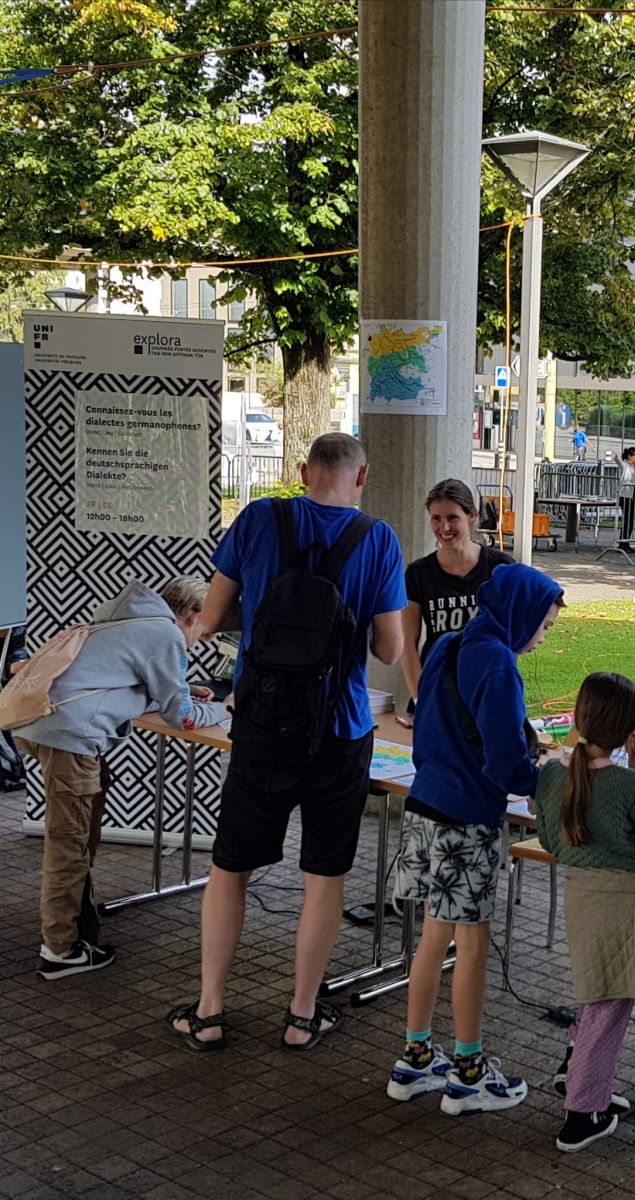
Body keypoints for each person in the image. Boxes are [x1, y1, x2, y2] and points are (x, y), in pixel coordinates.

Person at [168, 433, 406, 1050]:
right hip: (341, 731)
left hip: (262, 727)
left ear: (303, 472)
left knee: (230, 868)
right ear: (362, 478)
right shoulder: (377, 540)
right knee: (323, 877)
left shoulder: (256, 519)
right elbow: (389, 649)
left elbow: (213, 617)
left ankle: (211, 1008)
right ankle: (302, 1014)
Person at [386, 563, 563, 1114]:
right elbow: (507, 761)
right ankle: (468, 1072)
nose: (542, 636)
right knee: (474, 945)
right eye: (545, 625)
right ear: (523, 614)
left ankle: (415, 1059)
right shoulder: (499, 664)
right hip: (468, 821)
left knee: (433, 939)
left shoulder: (448, 645)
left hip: (424, 805)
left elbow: (430, 725)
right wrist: (545, 782)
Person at [14, 578, 227, 979]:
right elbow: (181, 716)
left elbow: (111, 683)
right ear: (193, 615)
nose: (203, 641)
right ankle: (59, 950)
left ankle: (76, 922)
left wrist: (182, 690)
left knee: (77, 836)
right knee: (70, 845)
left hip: (46, 728)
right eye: (207, 631)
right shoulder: (165, 633)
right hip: (70, 738)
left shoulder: (127, 619)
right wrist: (227, 709)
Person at [536, 673, 635, 1153]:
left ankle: (575, 1073)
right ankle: (581, 1110)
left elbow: (552, 841)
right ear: (632, 727)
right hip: (626, 903)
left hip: (581, 895)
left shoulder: (553, 776)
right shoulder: (630, 785)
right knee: (611, 1004)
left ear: (578, 716)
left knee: (596, 993)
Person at [402, 479, 512, 706]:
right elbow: (408, 645)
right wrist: (421, 699)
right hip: (435, 692)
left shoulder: (500, 567)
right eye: (436, 519)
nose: (444, 528)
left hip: (485, 691)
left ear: (472, 516)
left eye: (452, 518)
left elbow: (512, 637)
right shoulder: (417, 573)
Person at [613, 445, 635, 549]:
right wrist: (616, 458)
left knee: (631, 521)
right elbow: (619, 463)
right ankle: (622, 542)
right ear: (629, 456)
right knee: (627, 520)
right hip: (626, 496)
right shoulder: (625, 465)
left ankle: (626, 542)